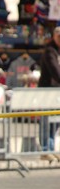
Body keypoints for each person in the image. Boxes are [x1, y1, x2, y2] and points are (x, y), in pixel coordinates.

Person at [37, 26, 60, 162]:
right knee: (46, 121)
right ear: (54, 36)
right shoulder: (50, 51)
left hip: (56, 92)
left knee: (55, 122)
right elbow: (55, 72)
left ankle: (51, 148)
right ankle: (45, 149)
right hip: (47, 91)